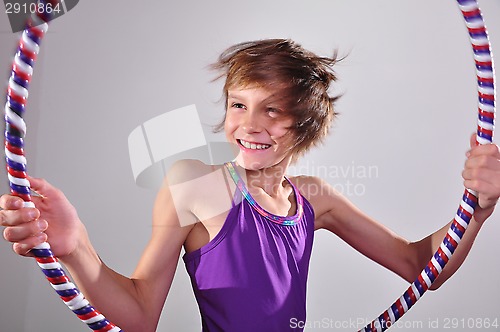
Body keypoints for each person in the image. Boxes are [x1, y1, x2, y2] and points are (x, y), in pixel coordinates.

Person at [1, 39, 499, 332]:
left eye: (273, 109)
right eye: (239, 105)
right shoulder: (193, 185)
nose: (250, 125)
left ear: (303, 126)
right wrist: (75, 249)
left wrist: (475, 211)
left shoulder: (315, 199)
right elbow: (137, 319)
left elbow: (421, 267)